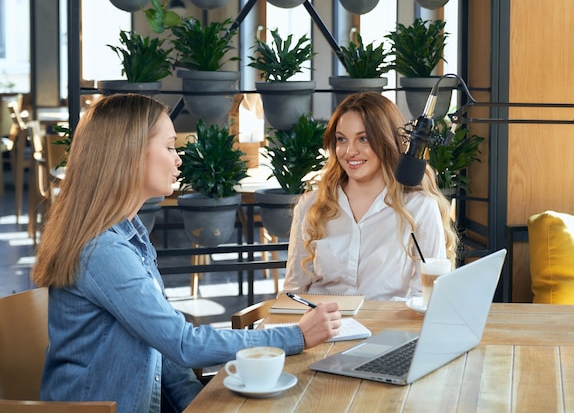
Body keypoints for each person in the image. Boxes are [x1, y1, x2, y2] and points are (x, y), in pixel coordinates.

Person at [31, 94, 341, 412]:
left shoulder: (129, 233)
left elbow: (164, 349)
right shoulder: (104, 251)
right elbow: (183, 343)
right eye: (168, 147)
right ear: (130, 154)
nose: (178, 158)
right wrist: (297, 336)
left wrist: (198, 405)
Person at [282, 92, 458, 300]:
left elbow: (427, 297)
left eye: (363, 139)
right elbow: (293, 292)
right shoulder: (312, 205)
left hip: (386, 328)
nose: (349, 151)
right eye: (341, 139)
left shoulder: (419, 207)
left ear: (388, 141)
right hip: (323, 328)